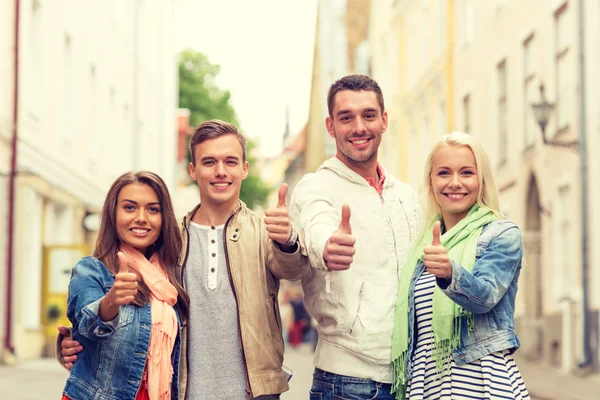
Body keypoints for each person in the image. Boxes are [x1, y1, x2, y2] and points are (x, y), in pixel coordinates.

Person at [59, 120, 309, 400]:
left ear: (245, 169)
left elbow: (294, 268)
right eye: (209, 162)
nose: (220, 171)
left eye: (230, 161)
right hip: (183, 391)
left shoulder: (265, 232)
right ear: (193, 170)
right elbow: (122, 304)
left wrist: (287, 239)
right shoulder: (168, 239)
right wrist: (75, 341)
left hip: (254, 394)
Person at [289, 75, 421, 399]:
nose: (359, 127)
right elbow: (316, 222)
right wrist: (326, 247)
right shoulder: (316, 186)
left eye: (369, 115)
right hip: (348, 384)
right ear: (331, 126)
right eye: (346, 118)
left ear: (384, 120)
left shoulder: (406, 195)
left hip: (411, 379)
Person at [390, 132, 530, 399]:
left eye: (466, 172)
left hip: (482, 382)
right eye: (444, 173)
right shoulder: (421, 249)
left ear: (481, 181)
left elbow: (485, 295)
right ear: (431, 183)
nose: (455, 183)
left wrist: (450, 273)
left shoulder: (501, 234)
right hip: (428, 384)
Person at [60, 171, 189, 400]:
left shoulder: (173, 277)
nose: (141, 217)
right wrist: (112, 300)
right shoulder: (91, 270)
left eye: (153, 209)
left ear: (164, 218)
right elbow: (87, 325)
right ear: (113, 214)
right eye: (129, 207)